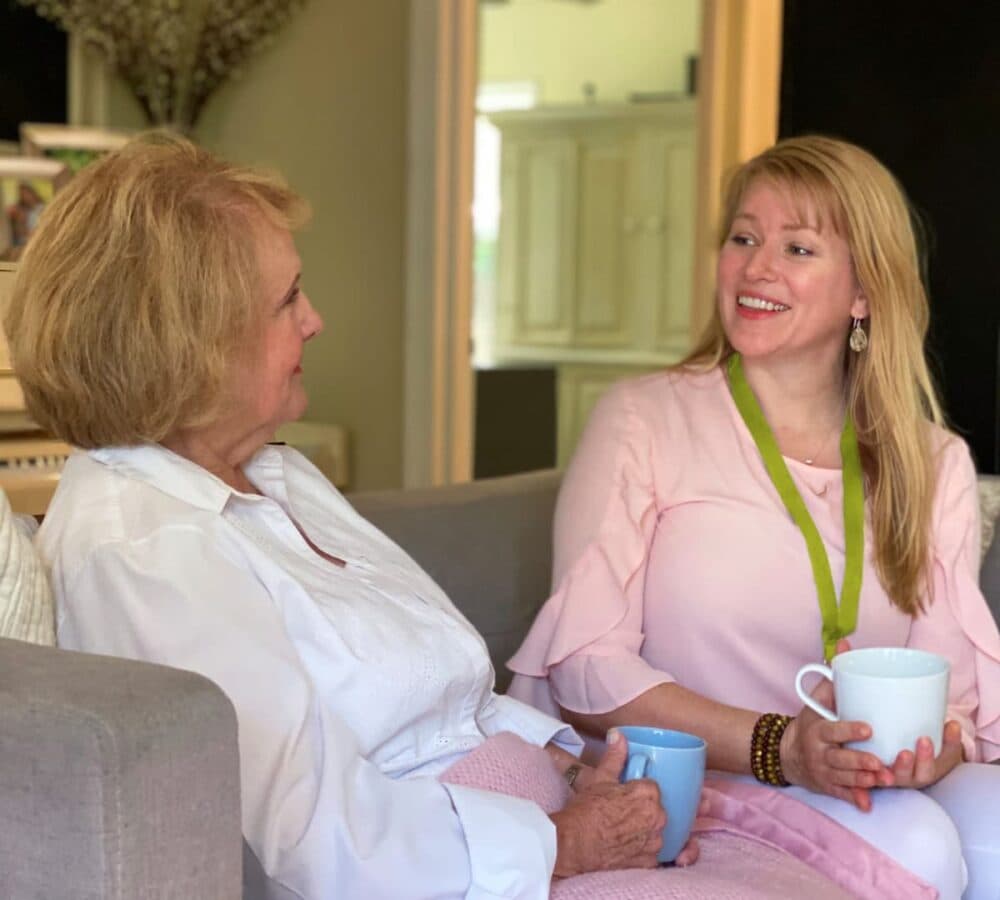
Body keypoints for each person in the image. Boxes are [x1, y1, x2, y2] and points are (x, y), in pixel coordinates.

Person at [3, 133, 695, 900]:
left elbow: (447, 702)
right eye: (287, 300)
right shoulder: (144, 550)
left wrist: (571, 766)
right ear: (194, 350)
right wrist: (565, 843)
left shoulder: (274, 470)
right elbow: (307, 838)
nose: (316, 321)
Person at [508, 135, 1000, 899]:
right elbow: (585, 668)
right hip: (675, 780)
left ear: (864, 295)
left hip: (843, 784)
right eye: (743, 237)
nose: (757, 267)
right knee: (925, 850)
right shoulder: (643, 418)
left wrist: (930, 751)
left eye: (798, 248)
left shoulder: (935, 465)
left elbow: (956, 699)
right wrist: (781, 748)